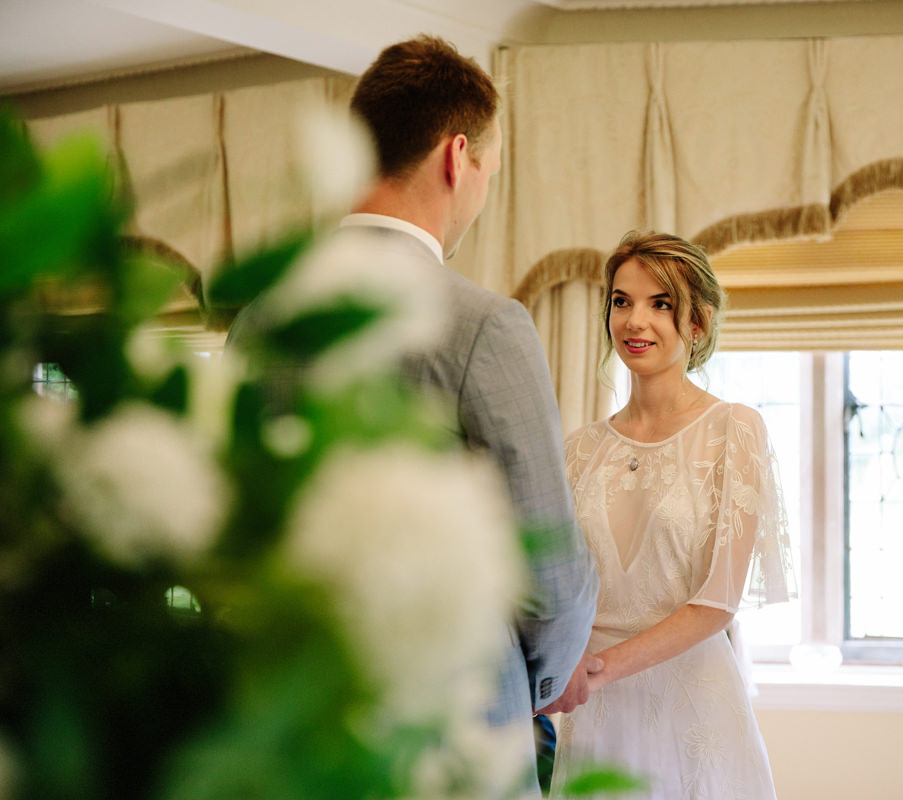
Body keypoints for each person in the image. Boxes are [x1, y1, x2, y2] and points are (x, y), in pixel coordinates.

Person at [230, 35, 599, 774]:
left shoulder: (260, 318)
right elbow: (549, 574)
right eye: (489, 170)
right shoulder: (485, 327)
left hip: (293, 725)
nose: (483, 191)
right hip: (451, 730)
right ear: (457, 157)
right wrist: (538, 684)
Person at [545, 232, 793, 799]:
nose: (636, 321)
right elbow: (562, 583)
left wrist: (597, 668)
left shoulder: (736, 430)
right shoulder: (580, 449)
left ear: (697, 323)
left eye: (661, 304)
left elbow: (716, 603)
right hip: (598, 718)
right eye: (621, 301)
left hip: (695, 712)